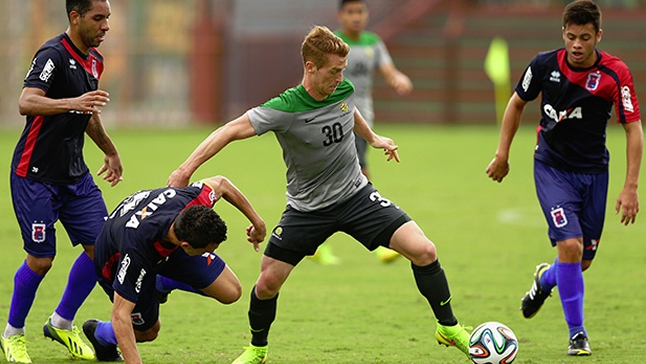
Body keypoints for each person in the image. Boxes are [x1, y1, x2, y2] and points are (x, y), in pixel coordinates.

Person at [167, 25, 470, 364]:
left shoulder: (343, 88)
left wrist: (372, 138)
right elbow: (229, 131)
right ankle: (257, 349)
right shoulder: (284, 107)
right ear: (310, 68)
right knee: (267, 284)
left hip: (356, 197)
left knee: (424, 250)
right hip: (306, 210)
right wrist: (185, 170)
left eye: (343, 70)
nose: (342, 78)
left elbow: (348, 110)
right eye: (334, 71)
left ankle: (448, 326)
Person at [486, 0, 642, 356]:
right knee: (570, 247)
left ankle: (544, 280)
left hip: (594, 172)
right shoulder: (543, 65)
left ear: (598, 36)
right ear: (563, 33)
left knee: (580, 261)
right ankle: (577, 334)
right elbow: (515, 103)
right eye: (571, 36)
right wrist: (502, 154)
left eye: (585, 38)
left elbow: (633, 129)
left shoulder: (615, 74)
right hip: (551, 168)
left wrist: (630, 186)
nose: (576, 44)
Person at [0, 1, 124, 363]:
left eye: (108, 19)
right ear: (75, 17)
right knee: (41, 261)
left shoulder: (95, 61)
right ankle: (12, 334)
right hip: (35, 174)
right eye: (98, 18)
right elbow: (27, 102)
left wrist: (110, 151)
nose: (105, 26)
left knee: (101, 249)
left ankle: (61, 323)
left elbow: (86, 114)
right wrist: (74, 101)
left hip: (75, 176)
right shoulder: (52, 54)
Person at [82, 176, 266, 363]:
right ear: (186, 246)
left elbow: (222, 183)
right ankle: (100, 333)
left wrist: (257, 223)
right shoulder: (136, 253)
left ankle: (161, 283)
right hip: (118, 261)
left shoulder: (190, 202)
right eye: (209, 250)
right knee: (148, 332)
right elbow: (120, 315)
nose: (212, 253)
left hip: (164, 245)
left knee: (230, 290)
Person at [312, 0, 415, 265]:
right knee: (357, 176)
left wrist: (397, 78)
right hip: (335, 117)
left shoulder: (373, 43)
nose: (356, 17)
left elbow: (388, 70)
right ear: (340, 15)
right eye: (351, 12)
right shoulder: (332, 45)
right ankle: (381, 241)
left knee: (345, 176)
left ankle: (312, 241)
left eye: (360, 11)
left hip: (362, 119)